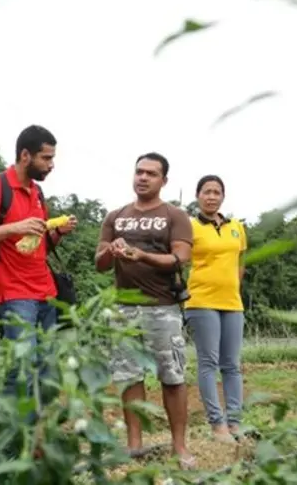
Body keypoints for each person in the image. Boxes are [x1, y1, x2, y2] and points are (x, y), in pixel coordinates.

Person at [0, 125, 76, 408]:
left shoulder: (37, 193)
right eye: (46, 158)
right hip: (15, 293)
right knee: (21, 369)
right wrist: (14, 226)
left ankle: (38, 440)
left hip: (46, 292)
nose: (51, 165)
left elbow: (38, 247)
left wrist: (57, 233)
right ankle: (13, 442)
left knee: (48, 372)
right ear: (25, 155)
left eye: (52, 158)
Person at [94, 152, 195, 469]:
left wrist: (142, 255)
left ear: (163, 180)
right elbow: (99, 264)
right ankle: (134, 445)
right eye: (139, 172)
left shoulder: (174, 215)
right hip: (124, 309)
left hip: (163, 308)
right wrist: (111, 253)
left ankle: (180, 447)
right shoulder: (116, 216)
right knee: (128, 377)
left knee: (173, 378)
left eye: (151, 173)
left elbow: (180, 257)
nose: (143, 177)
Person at [185, 175, 247, 443]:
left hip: (232, 302)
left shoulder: (237, 227)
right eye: (206, 192)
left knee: (232, 365)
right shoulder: (189, 227)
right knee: (209, 362)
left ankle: (235, 422)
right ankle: (217, 425)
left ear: (223, 196)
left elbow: (241, 260)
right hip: (201, 301)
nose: (211, 196)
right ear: (198, 196)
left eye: (216, 192)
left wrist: (234, 285)